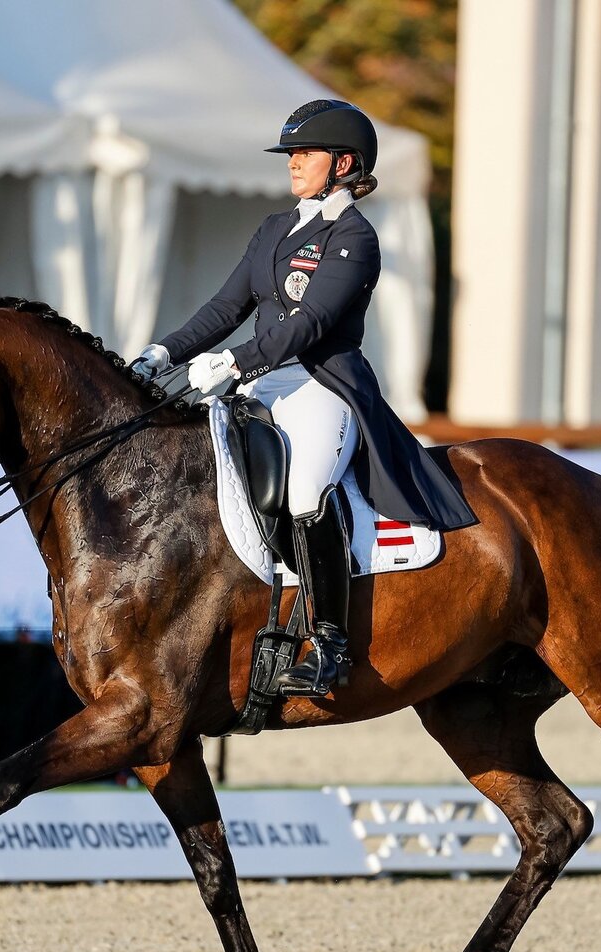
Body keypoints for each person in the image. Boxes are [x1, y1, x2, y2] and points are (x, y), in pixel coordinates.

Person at [133, 99, 476, 698]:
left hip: (321, 383)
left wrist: (234, 361)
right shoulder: (273, 229)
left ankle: (331, 644)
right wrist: (164, 352)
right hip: (259, 381)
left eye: (305, 153)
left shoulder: (354, 237)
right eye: (290, 153)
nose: (293, 162)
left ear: (343, 163)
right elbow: (226, 307)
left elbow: (311, 322)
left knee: (305, 491)